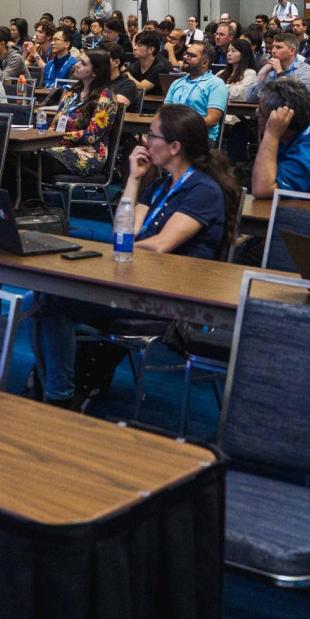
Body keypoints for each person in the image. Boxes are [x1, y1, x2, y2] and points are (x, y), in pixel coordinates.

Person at [32, 103, 241, 408]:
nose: (145, 141)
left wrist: (115, 249)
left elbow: (159, 246)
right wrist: (133, 178)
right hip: (138, 284)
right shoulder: (161, 185)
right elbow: (124, 230)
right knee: (39, 296)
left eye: (152, 136)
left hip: (169, 299)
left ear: (174, 147)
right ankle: (56, 385)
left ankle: (59, 396)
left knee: (51, 299)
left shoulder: (203, 191)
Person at [163, 39, 229, 140]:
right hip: (174, 134)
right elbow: (165, 112)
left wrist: (182, 126)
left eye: (192, 56)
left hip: (200, 137)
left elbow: (212, 120)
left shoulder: (216, 84)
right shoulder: (177, 83)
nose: (185, 57)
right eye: (186, 54)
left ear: (204, 62)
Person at [129, 30, 171, 100]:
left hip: (154, 104)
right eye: (135, 44)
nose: (134, 48)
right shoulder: (134, 66)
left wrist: (125, 72)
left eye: (139, 45)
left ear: (151, 49)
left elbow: (141, 88)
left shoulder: (161, 68)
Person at [223, 36, 260, 102]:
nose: (229, 54)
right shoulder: (222, 72)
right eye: (228, 51)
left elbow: (238, 94)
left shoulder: (250, 73)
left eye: (233, 51)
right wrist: (231, 86)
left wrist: (226, 86)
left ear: (243, 54)